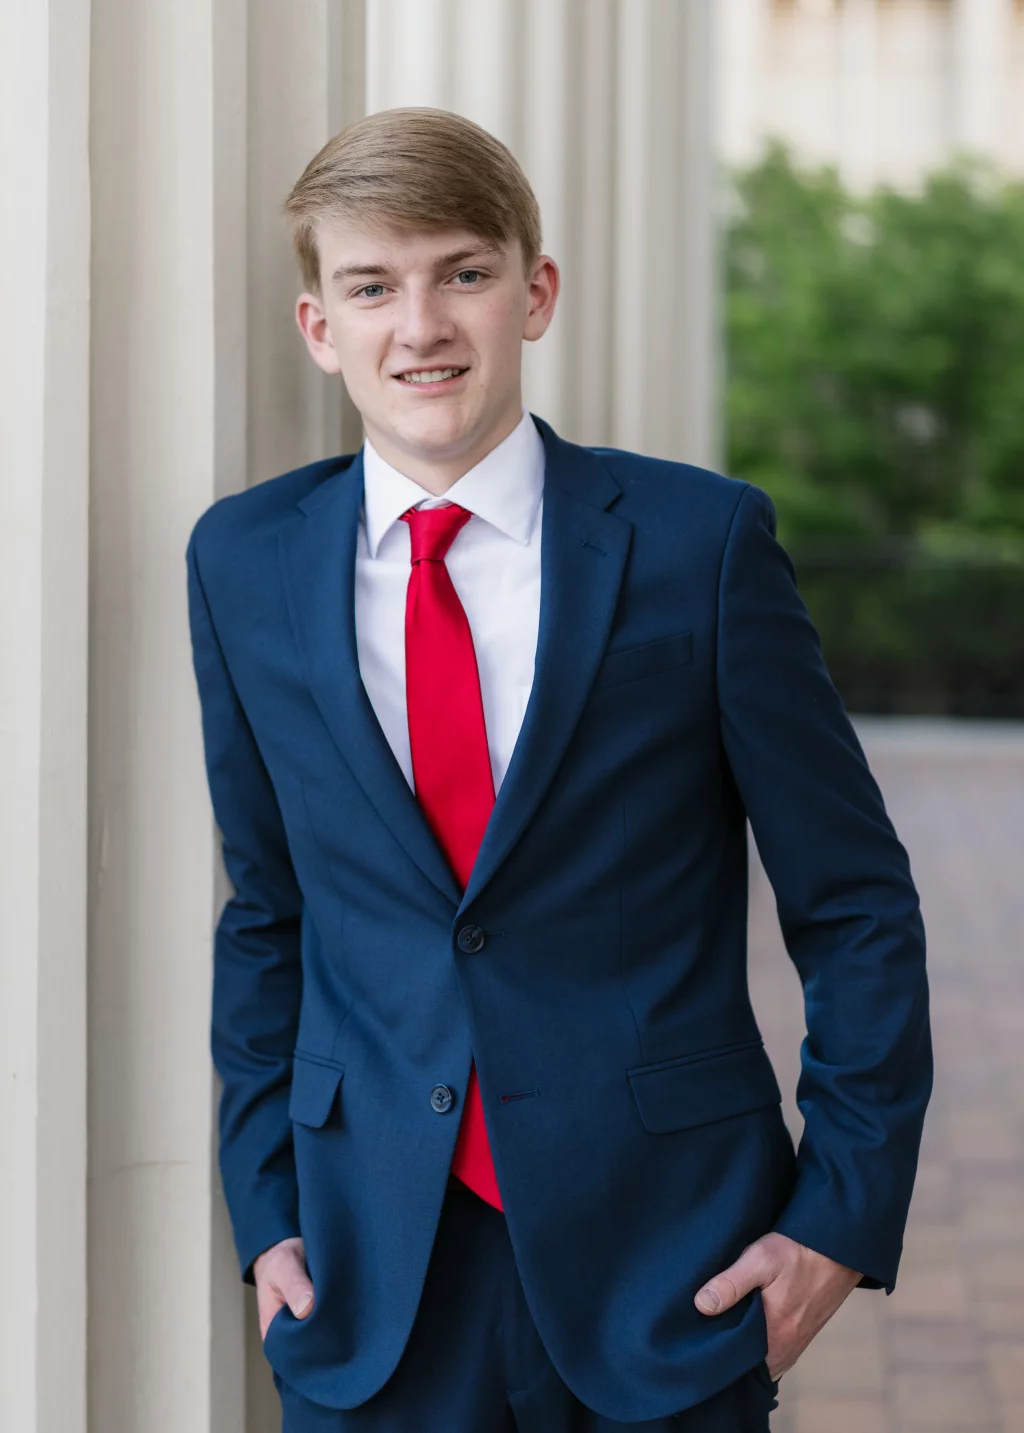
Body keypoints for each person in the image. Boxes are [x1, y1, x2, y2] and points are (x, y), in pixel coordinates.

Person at [186, 107, 932, 1433]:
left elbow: (856, 901)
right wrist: (265, 1215)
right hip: (371, 1275)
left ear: (534, 293)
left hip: (672, 1261)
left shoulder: (698, 546)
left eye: (463, 273)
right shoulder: (245, 566)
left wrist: (841, 1213)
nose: (420, 327)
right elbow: (268, 910)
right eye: (372, 286)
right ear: (321, 327)